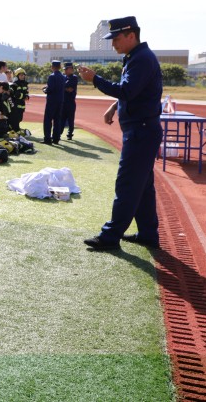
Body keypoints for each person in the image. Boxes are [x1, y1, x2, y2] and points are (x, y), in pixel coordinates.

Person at [77, 16, 163, 250]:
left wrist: (95, 79)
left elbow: (127, 90)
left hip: (141, 131)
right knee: (142, 187)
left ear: (131, 35)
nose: (113, 43)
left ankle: (110, 236)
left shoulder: (141, 59)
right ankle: (147, 233)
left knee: (127, 184)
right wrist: (115, 106)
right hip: (142, 130)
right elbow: (135, 91)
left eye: (116, 38)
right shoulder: (136, 57)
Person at [42, 60, 64, 144]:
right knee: (57, 120)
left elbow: (50, 89)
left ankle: (47, 138)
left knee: (48, 120)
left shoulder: (52, 76)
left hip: (52, 101)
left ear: (52, 67)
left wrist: (44, 89)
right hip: (60, 101)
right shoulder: (62, 76)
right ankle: (56, 138)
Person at [60, 62, 79, 140]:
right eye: (65, 69)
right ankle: (59, 133)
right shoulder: (63, 77)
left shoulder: (74, 77)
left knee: (71, 119)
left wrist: (63, 87)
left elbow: (70, 88)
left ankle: (70, 134)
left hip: (70, 102)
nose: (65, 71)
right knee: (62, 119)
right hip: (63, 102)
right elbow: (65, 87)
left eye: (67, 69)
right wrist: (65, 88)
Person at [9, 67, 30, 133]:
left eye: (23, 75)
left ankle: (15, 129)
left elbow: (26, 92)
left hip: (21, 105)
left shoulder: (25, 84)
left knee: (20, 119)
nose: (23, 76)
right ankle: (14, 130)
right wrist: (24, 96)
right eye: (21, 75)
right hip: (15, 105)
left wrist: (27, 96)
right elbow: (15, 94)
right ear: (17, 76)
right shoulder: (14, 84)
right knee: (15, 119)